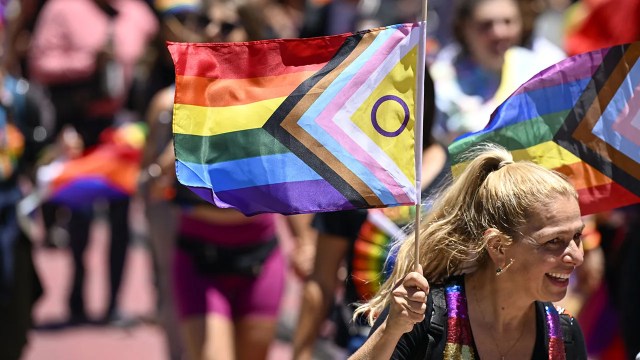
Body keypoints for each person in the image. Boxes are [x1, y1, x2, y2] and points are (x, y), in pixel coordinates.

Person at [349, 143, 587, 359]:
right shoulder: (421, 315)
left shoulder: (565, 335)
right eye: (554, 241)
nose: (577, 256)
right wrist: (390, 331)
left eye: (577, 236)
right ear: (497, 247)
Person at [293, 68, 451, 359]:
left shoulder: (458, 176)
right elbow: (321, 280)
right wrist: (301, 352)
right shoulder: (348, 180)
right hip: (362, 345)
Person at [27, 0, 158, 324]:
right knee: (80, 217)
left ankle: (114, 303)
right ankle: (77, 300)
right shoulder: (62, 9)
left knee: (121, 218)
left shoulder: (136, 12)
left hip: (121, 128)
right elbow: (39, 63)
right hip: (78, 126)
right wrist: (89, 62)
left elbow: (156, 45)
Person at [431, 0, 565, 144]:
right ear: (464, 28)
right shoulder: (442, 79)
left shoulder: (544, 71)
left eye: (508, 22)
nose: (499, 33)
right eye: (486, 25)